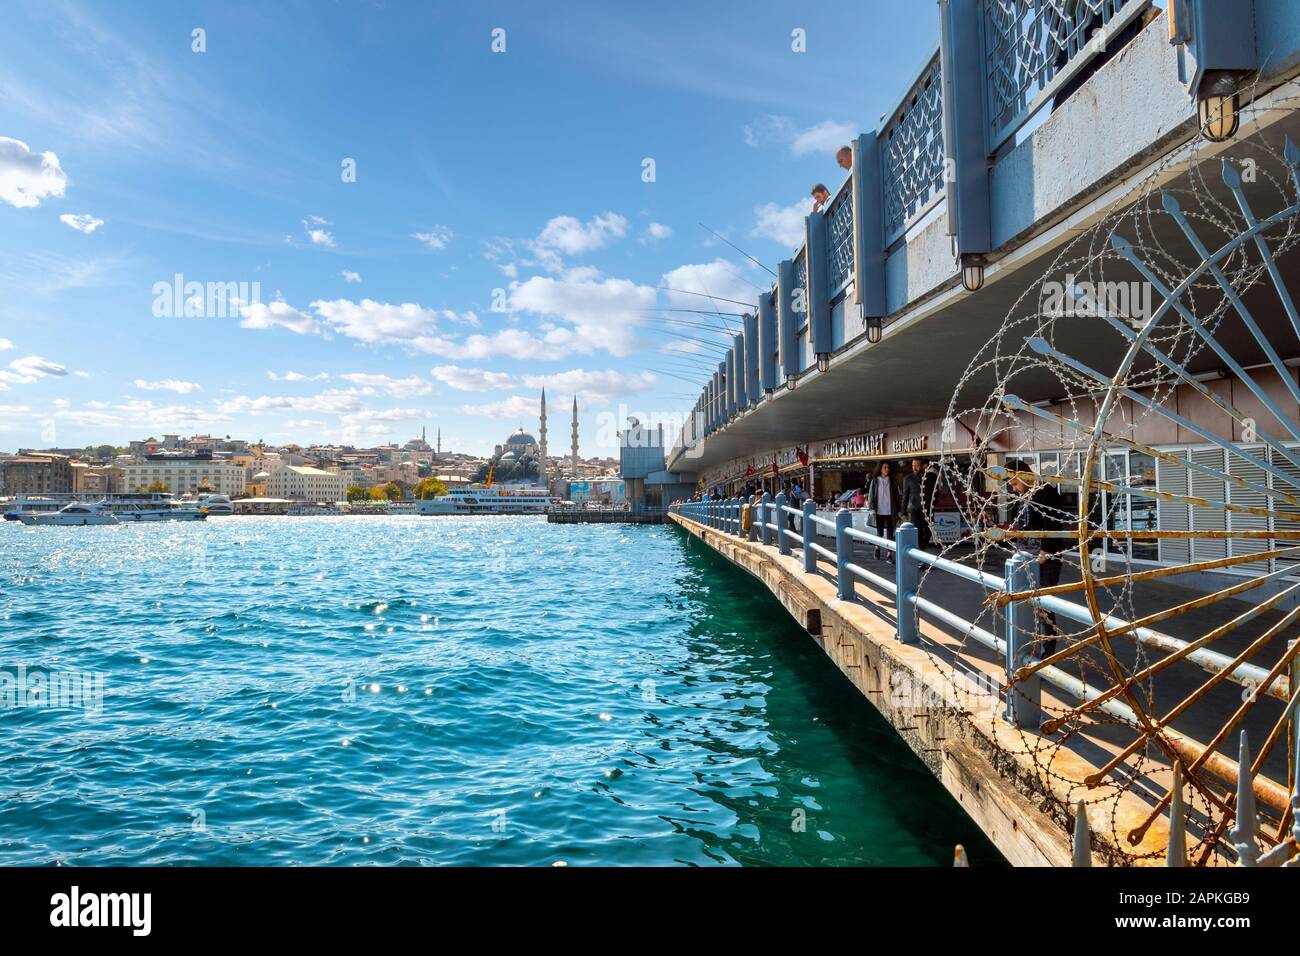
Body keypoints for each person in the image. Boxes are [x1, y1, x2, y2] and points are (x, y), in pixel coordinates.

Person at [1008, 467, 1070, 658]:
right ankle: (1028, 651)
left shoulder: (1046, 493)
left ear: (1024, 476)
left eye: (1015, 483)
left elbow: (1053, 524)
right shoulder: (1025, 495)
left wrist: (1045, 552)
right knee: (1025, 605)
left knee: (1043, 608)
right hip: (1025, 556)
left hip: (1043, 559)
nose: (1014, 489)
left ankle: (1046, 655)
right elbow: (1024, 524)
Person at [866, 461, 897, 561]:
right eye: (885, 467)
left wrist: (899, 509)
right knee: (879, 532)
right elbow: (871, 496)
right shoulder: (875, 481)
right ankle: (877, 548)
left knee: (890, 534)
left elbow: (896, 495)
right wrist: (871, 508)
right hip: (879, 510)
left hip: (890, 510)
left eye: (888, 467)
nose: (887, 469)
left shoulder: (892, 481)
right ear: (880, 469)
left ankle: (889, 555)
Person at [902, 458, 933, 551]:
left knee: (929, 531)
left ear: (923, 466)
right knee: (918, 531)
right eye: (913, 465)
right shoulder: (908, 478)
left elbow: (936, 491)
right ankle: (920, 553)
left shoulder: (931, 476)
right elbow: (905, 495)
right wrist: (903, 511)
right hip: (914, 508)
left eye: (917, 465)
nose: (914, 468)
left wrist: (933, 503)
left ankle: (922, 549)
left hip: (927, 509)